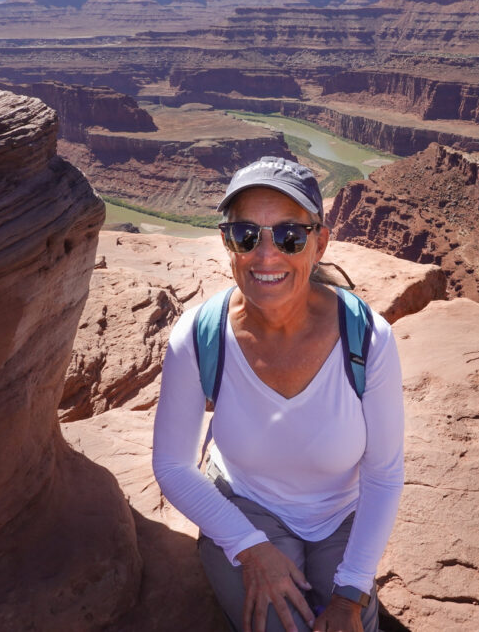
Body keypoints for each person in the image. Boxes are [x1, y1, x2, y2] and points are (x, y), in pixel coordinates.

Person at [152, 156, 405, 632]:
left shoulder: (367, 338)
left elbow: (384, 473)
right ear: (227, 243)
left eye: (289, 235)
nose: (265, 255)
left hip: (340, 513)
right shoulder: (200, 335)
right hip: (246, 504)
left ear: (319, 243)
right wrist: (248, 546)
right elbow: (172, 466)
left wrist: (351, 592)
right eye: (245, 234)